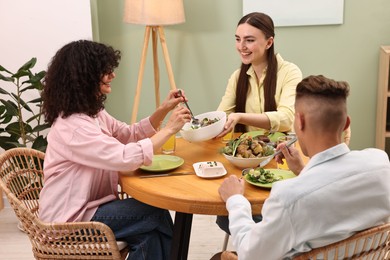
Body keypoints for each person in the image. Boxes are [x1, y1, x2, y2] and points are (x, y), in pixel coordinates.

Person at [39, 40, 192, 260]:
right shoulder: (74, 127)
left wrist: (163, 110)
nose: (113, 75)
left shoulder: (93, 113)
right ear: (86, 76)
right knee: (155, 213)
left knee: (149, 236)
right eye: (105, 70)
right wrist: (169, 129)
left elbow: (127, 135)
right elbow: (124, 157)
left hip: (93, 208)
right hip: (70, 221)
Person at [217, 75, 390, 259]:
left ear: (299, 122)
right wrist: (303, 171)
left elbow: (250, 253)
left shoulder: (288, 198)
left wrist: (235, 200)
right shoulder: (381, 164)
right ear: (346, 123)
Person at [217, 12, 302, 136]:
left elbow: (286, 119)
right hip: (246, 152)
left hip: (281, 151)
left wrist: (240, 117)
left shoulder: (290, 72)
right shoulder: (237, 77)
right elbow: (222, 116)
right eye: (237, 39)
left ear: (269, 43)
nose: (241, 46)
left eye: (249, 40)